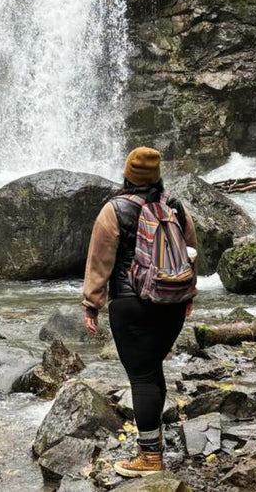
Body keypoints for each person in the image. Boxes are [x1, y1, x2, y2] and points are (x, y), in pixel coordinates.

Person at [82, 146, 198, 477]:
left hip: (131, 305)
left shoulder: (114, 209)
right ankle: (153, 446)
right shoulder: (175, 207)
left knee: (143, 376)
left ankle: (149, 458)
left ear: (127, 175)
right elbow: (190, 253)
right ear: (158, 175)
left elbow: (99, 261)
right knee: (152, 370)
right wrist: (189, 295)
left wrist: (91, 304)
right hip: (172, 304)